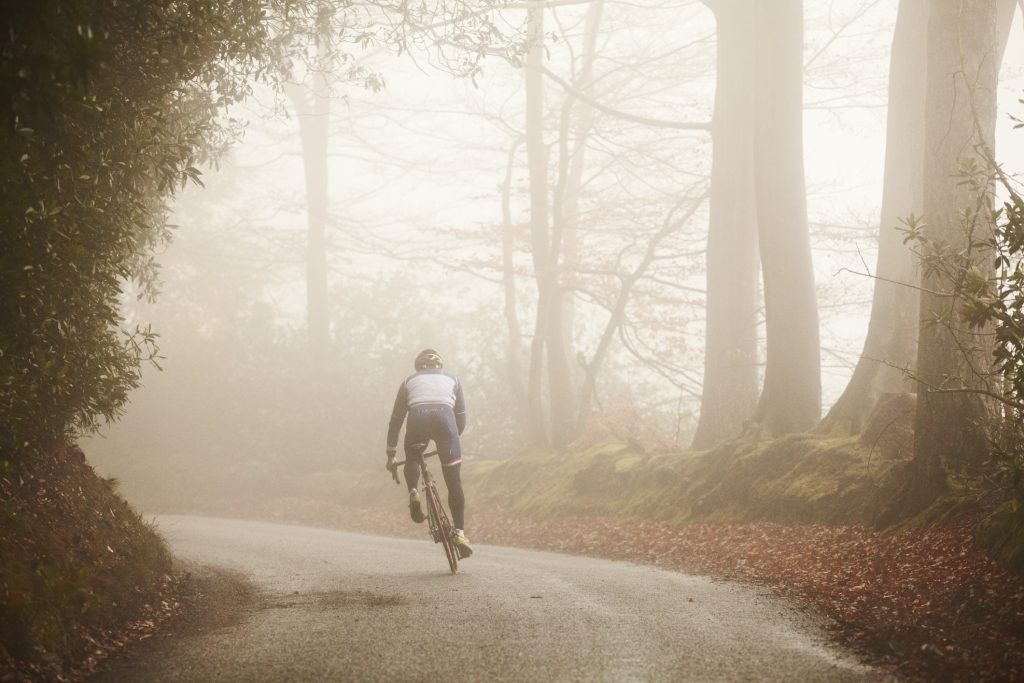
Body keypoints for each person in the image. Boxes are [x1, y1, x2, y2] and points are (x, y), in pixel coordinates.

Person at [386, 348, 472, 558]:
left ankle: (414, 491)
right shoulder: (453, 379)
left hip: (418, 421)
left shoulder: (408, 381)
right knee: (454, 482)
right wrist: (450, 442)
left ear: (419, 368)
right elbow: (460, 419)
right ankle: (459, 532)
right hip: (447, 424)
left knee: (413, 456)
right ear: (439, 367)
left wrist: (391, 452)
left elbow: (396, 419)